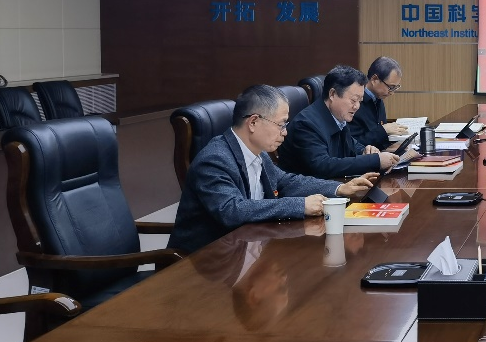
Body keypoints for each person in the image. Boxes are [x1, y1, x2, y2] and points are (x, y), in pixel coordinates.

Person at [170, 84, 374, 253]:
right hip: (207, 262)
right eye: (281, 124)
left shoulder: (257, 153)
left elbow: (286, 181)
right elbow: (232, 210)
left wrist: (339, 188)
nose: (285, 132)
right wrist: (300, 206)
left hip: (248, 249)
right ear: (253, 122)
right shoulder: (215, 160)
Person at [278, 65, 412, 179]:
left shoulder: (337, 116)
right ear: (332, 94)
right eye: (353, 100)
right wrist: (375, 160)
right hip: (311, 194)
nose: (357, 106)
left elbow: (351, 144)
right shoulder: (306, 124)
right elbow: (323, 166)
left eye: (360, 101)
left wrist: (365, 151)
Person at [350, 55, 407, 147]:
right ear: (374, 79)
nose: (392, 93)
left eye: (395, 88)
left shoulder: (378, 98)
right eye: (390, 87)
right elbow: (353, 144)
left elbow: (378, 138)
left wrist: (391, 146)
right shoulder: (355, 103)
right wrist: (383, 130)